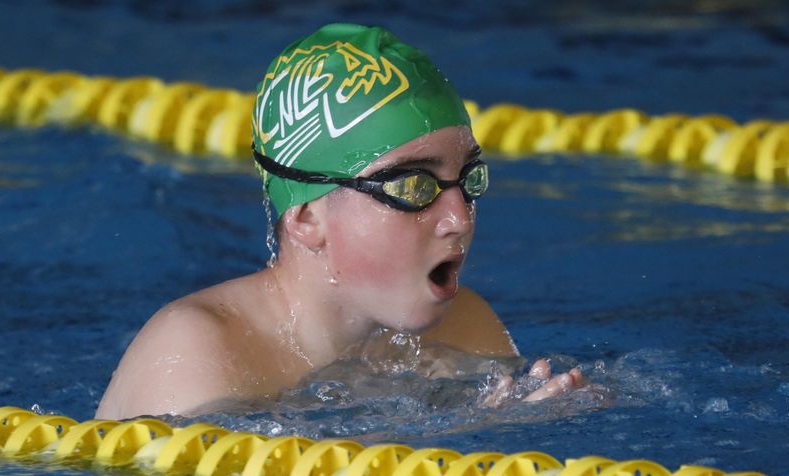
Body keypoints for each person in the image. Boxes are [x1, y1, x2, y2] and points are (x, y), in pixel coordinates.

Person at [96, 23, 583, 421]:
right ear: (308, 218)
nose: (459, 218)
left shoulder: (466, 325)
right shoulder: (196, 353)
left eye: (468, 178)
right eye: (412, 186)